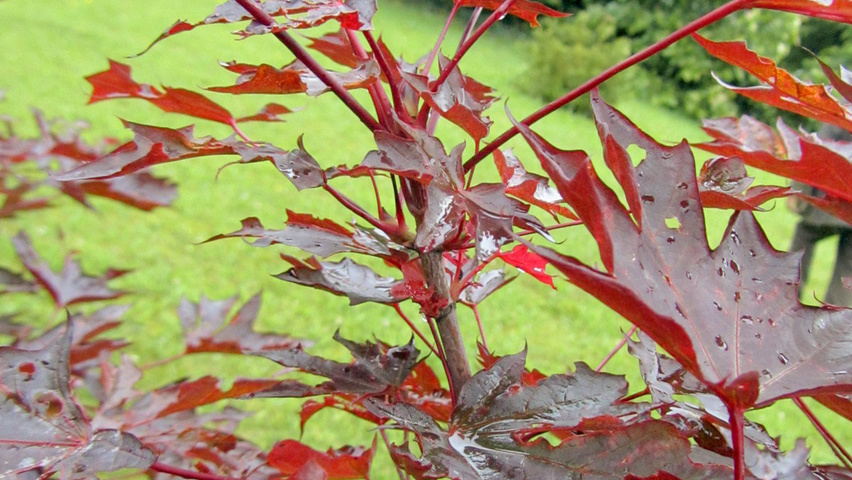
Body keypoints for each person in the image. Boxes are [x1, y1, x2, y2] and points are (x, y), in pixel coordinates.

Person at [789, 124, 852, 306]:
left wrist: (798, 190)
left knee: (802, 242)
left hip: (826, 205)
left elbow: (814, 151)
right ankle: (832, 318)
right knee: (847, 268)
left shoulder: (838, 111)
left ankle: (786, 297)